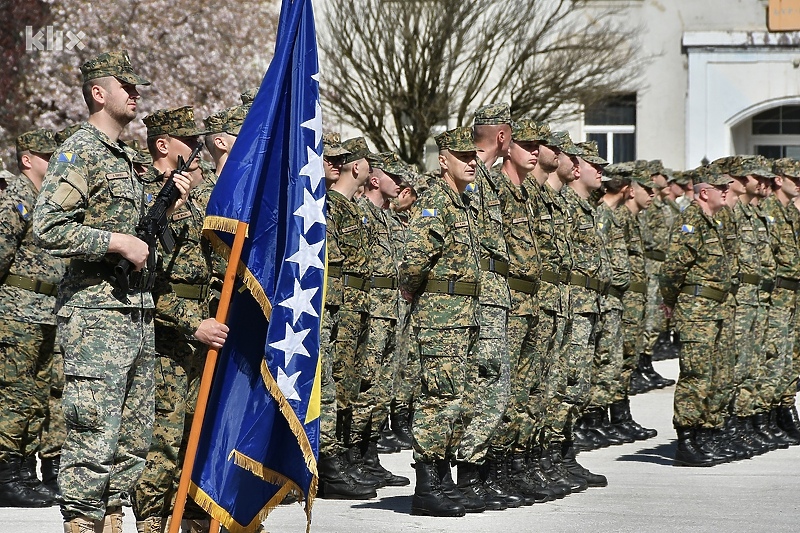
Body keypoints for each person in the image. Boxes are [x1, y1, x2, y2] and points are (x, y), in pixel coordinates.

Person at [32, 50, 190, 532]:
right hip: (96, 318)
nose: (136, 92)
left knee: (129, 445)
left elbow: (146, 240)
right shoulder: (81, 150)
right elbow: (47, 225)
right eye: (127, 85)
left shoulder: (126, 160)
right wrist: (116, 242)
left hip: (136, 318)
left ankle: (113, 521)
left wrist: (167, 207)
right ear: (99, 93)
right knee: (92, 440)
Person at [131, 106, 229, 533]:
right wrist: (193, 323)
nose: (195, 150)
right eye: (187, 142)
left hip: (202, 333)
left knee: (197, 432)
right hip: (166, 336)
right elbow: (144, 281)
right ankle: (154, 520)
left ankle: (190, 515)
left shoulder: (196, 195)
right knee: (164, 439)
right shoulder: (144, 193)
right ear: (163, 144)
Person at [399, 126, 481, 517]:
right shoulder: (436, 201)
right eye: (463, 156)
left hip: (462, 315)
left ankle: (442, 478)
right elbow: (413, 261)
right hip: (440, 315)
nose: (472, 162)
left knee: (457, 398)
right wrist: (416, 292)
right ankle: (426, 486)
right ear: (443, 160)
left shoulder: (462, 203)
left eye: (473, 156)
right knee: (439, 396)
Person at [0, 128, 62, 508]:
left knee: (37, 397)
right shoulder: (16, 201)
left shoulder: (44, 200)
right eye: (48, 156)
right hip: (17, 311)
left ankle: (24, 472)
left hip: (43, 312)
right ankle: (6, 474)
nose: (55, 163)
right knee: (15, 396)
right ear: (27, 159)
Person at [455, 103, 512, 512]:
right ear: (504, 136)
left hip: (494, 296)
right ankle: (468, 474)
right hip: (472, 301)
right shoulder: (468, 175)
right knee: (477, 388)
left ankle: (479, 471)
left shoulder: (492, 181)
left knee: (493, 387)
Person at [661, 164, 734, 467]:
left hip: (717, 309)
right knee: (696, 375)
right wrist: (670, 301)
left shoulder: (713, 221)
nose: (729, 192)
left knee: (717, 375)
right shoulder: (691, 221)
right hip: (697, 310)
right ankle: (687, 440)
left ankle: (706, 434)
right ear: (705, 193)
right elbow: (672, 269)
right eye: (723, 188)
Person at [353, 151, 409, 486]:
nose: (401, 186)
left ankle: (370, 453)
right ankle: (353, 454)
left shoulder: (388, 220)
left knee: (385, 386)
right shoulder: (361, 214)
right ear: (375, 179)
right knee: (366, 383)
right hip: (373, 307)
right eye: (395, 178)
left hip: (393, 309)